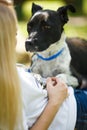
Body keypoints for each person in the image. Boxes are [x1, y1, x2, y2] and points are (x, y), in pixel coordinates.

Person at [0, 1, 87, 130]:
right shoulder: (6, 84)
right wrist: (55, 101)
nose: (28, 38)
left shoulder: (7, 68)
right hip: (74, 109)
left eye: (17, 34)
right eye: (14, 34)